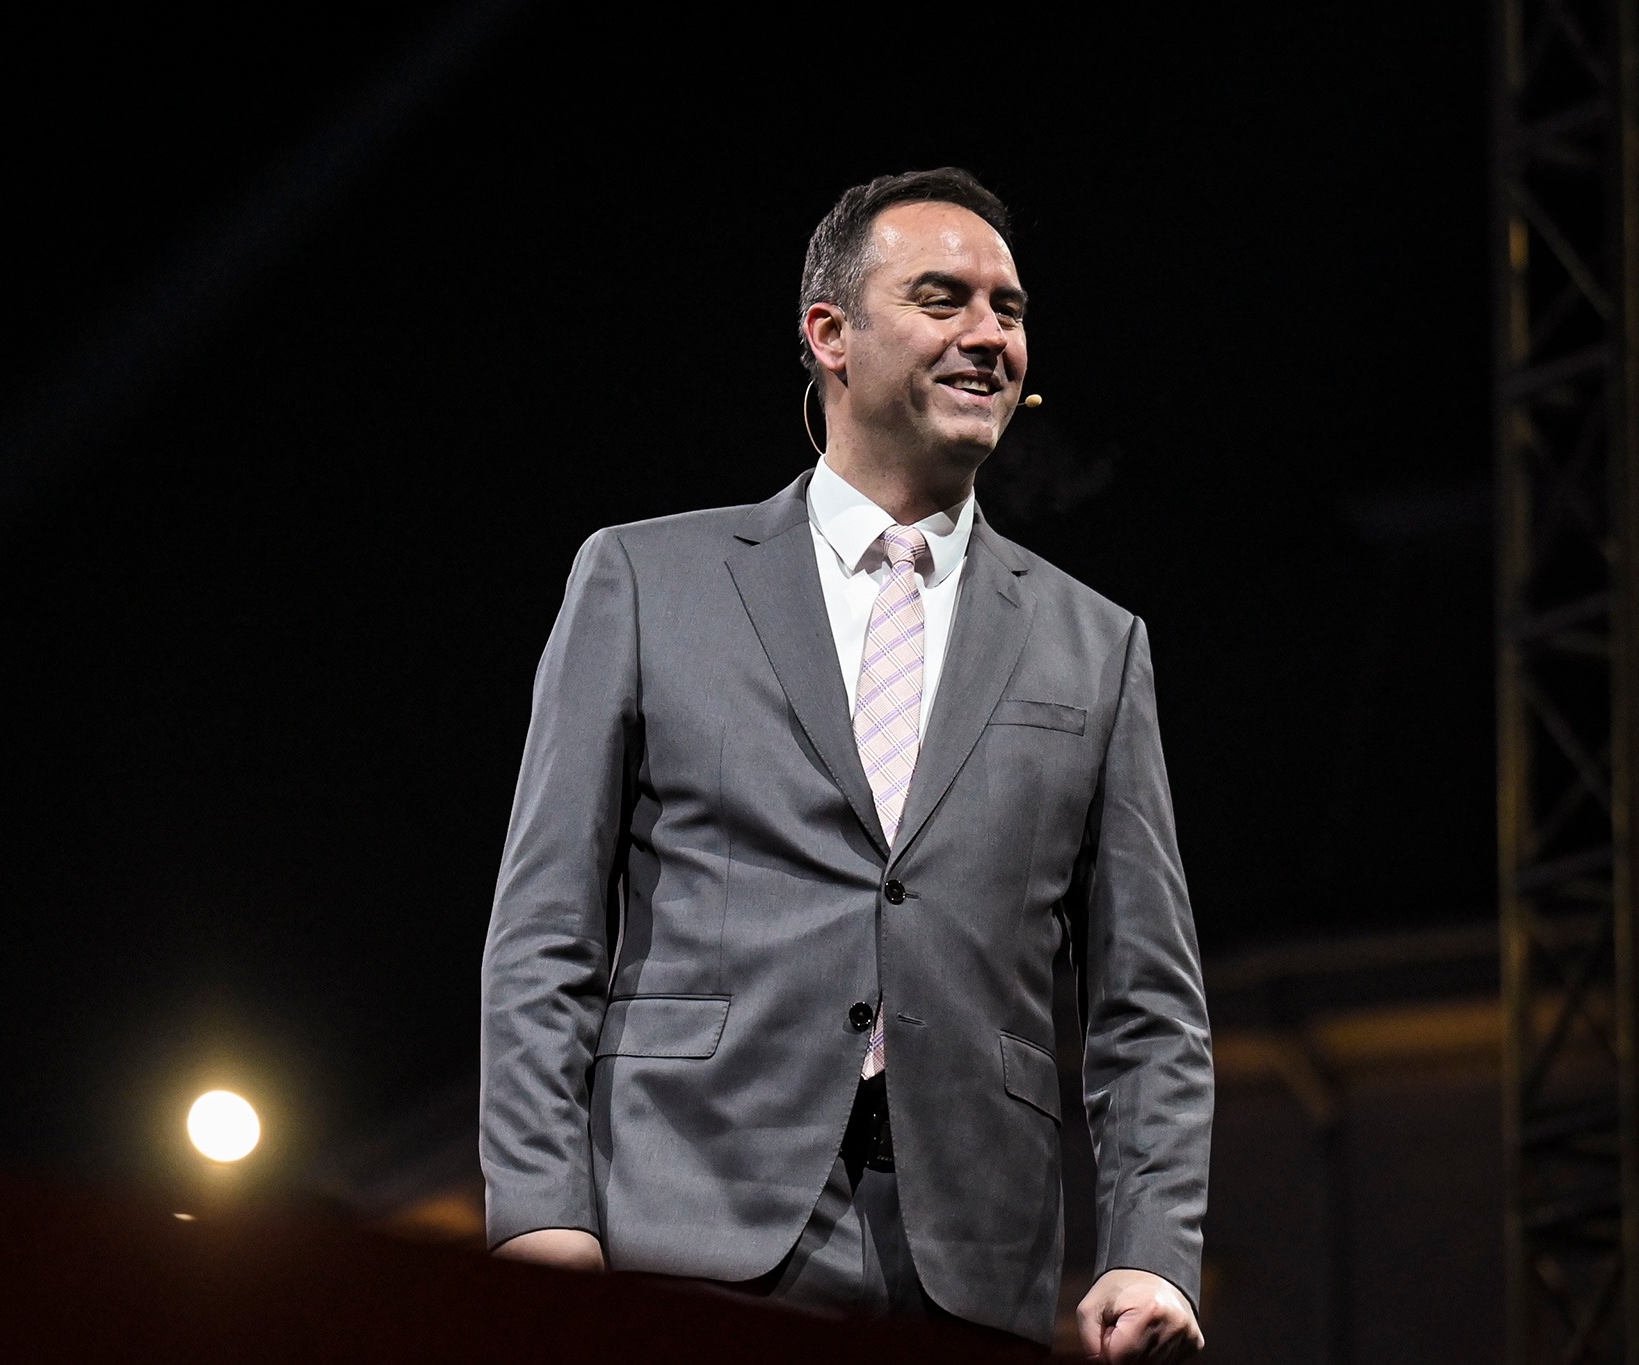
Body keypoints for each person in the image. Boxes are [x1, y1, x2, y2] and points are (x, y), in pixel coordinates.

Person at [478, 168, 1210, 1362]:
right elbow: (542, 933)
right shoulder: (643, 581)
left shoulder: (1096, 643)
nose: (989, 336)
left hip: (972, 1259)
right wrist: (536, 1213)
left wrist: (1152, 1245)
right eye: (940, 299)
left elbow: (1148, 1000)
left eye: (1008, 310)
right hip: (681, 1224)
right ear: (829, 333)